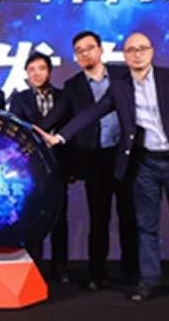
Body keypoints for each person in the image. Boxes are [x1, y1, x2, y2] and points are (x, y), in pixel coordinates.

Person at [36, 31, 169, 302]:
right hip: (141, 162)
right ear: (124, 56)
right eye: (131, 51)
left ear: (151, 51)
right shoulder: (120, 87)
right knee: (145, 227)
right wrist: (59, 137)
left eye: (142, 49)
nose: (137, 55)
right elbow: (91, 113)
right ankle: (147, 281)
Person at [41, 30, 139, 290]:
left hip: (125, 156)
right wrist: (31, 131)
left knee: (129, 217)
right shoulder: (72, 86)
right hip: (94, 159)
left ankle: (132, 273)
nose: (85, 54)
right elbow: (57, 117)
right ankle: (97, 273)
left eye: (89, 48)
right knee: (98, 219)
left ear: (100, 49)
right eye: (79, 51)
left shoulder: (123, 75)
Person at [8, 52, 70, 283]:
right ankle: (33, 266)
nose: (36, 73)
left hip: (59, 165)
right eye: (32, 69)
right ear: (26, 73)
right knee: (31, 216)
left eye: (41, 69)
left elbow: (72, 132)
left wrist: (72, 165)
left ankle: (60, 266)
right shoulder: (20, 98)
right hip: (29, 169)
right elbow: (15, 132)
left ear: (49, 71)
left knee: (59, 217)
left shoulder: (64, 97)